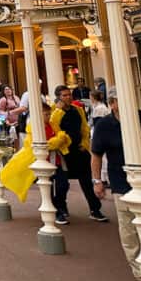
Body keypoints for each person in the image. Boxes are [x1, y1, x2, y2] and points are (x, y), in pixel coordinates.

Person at [91, 86, 141, 281]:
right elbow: (96, 155)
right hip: (122, 183)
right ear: (112, 104)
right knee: (129, 229)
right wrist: (98, 181)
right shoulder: (104, 126)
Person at [50, 84, 107, 225]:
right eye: (64, 95)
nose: (68, 97)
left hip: (79, 150)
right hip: (64, 152)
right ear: (58, 97)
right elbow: (54, 128)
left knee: (87, 181)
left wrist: (85, 143)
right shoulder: (55, 112)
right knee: (62, 184)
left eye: (69, 94)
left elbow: (84, 128)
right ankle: (61, 209)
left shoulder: (77, 110)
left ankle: (95, 209)